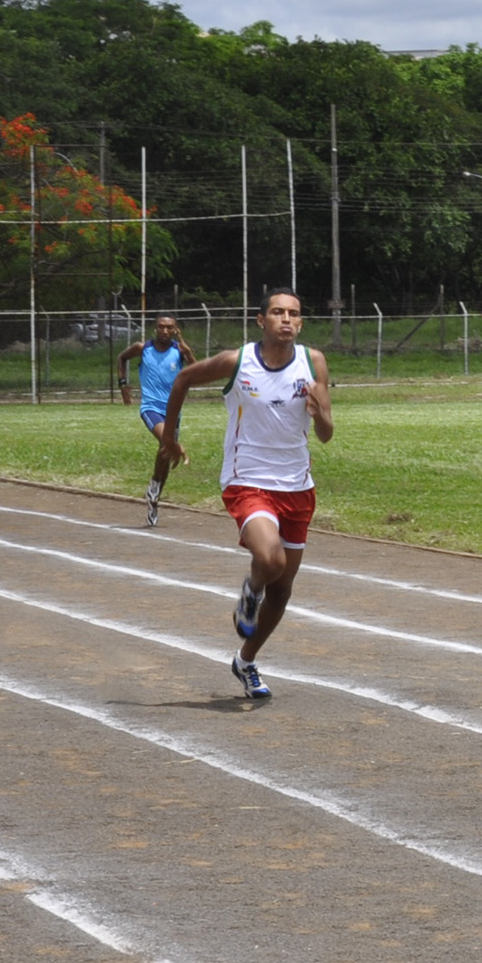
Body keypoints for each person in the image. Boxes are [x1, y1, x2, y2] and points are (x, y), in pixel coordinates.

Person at [160, 290, 333, 701]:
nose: (286, 320)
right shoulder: (238, 361)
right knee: (268, 559)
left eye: (293, 314)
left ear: (301, 323)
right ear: (261, 320)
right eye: (277, 313)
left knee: (284, 590)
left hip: (297, 486)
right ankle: (250, 591)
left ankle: (246, 660)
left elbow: (326, 435)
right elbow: (183, 379)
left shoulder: (314, 363)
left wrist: (321, 411)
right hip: (248, 480)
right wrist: (170, 437)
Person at [118, 315, 195, 526]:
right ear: (155, 328)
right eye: (161, 327)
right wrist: (123, 384)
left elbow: (195, 371)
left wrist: (187, 351)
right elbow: (122, 358)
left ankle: (154, 493)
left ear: (175, 330)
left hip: (173, 410)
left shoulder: (179, 351)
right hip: (150, 407)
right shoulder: (143, 348)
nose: (165, 331)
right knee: (167, 442)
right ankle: (174, 452)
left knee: (165, 454)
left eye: (169, 327)